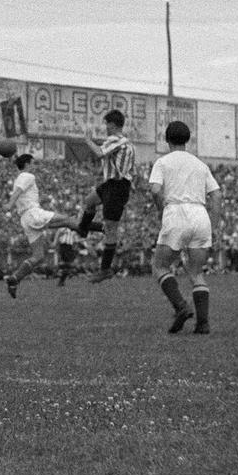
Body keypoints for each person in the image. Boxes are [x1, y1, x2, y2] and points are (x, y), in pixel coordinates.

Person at [148, 121, 221, 334]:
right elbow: (216, 194)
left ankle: (181, 306)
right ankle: (203, 323)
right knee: (196, 272)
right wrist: (213, 225)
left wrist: (161, 209)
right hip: (200, 215)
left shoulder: (162, 162)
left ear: (167, 139)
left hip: (176, 212)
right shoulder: (200, 164)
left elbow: (154, 190)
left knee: (160, 266)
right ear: (187, 139)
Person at [4, 154, 100, 299]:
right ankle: (97, 228)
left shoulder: (21, 178)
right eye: (33, 163)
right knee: (68, 220)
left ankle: (15, 279)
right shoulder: (27, 175)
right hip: (33, 214)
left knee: (38, 256)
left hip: (26, 218)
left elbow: (21, 193)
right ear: (27, 164)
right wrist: (9, 204)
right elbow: (17, 192)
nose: (35, 166)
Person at [77, 109, 135, 283]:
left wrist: (87, 139)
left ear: (112, 124)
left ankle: (105, 269)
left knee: (111, 228)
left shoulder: (116, 140)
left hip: (117, 186)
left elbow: (100, 153)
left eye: (106, 124)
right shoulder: (126, 143)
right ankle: (84, 228)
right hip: (112, 184)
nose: (105, 128)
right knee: (89, 202)